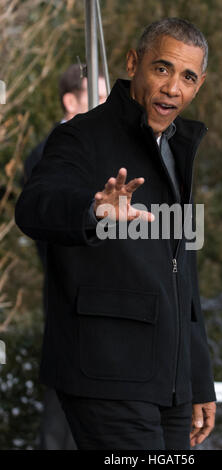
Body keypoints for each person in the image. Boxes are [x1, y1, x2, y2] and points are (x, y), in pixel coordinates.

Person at [15, 18, 216, 450]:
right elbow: (33, 208)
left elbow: (186, 278)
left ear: (198, 86)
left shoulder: (181, 149)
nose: (172, 87)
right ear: (133, 62)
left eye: (187, 77)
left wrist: (199, 378)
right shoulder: (79, 136)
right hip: (105, 374)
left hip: (173, 386)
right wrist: (92, 209)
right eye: (162, 68)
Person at [23, 63, 107, 450]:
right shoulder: (48, 155)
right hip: (72, 297)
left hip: (107, 303)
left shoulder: (105, 150)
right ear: (70, 100)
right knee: (63, 414)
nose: (105, 105)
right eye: (97, 96)